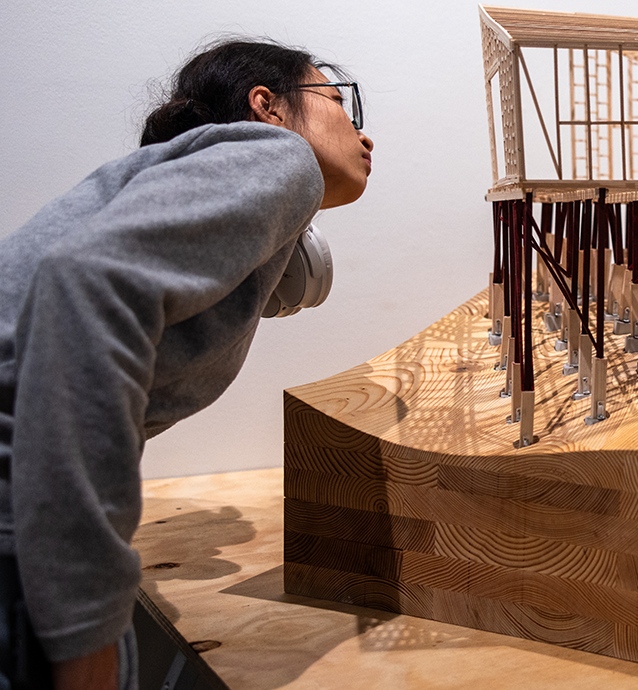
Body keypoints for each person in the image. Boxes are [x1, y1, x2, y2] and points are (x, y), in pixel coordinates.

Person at [0, 38, 374, 690]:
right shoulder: (279, 157)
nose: (362, 133)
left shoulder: (174, 176)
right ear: (268, 107)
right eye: (339, 102)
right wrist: (86, 624)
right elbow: (85, 285)